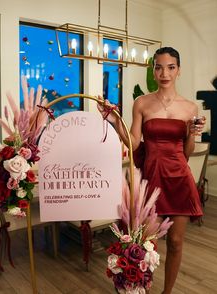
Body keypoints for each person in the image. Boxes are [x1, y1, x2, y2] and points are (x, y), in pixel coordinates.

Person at [97, 47, 206, 294]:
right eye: (158, 67)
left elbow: (186, 152)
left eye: (170, 67)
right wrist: (115, 122)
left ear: (178, 71)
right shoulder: (142, 102)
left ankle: (166, 292)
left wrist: (193, 134)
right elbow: (134, 143)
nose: (164, 73)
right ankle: (141, 288)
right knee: (147, 244)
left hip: (179, 179)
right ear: (153, 71)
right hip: (151, 179)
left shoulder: (190, 108)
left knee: (176, 243)